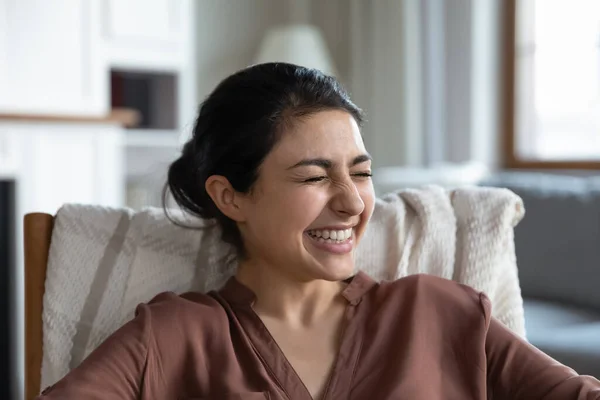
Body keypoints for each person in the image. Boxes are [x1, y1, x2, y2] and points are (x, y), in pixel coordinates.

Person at [37, 63, 600, 400]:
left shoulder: (443, 314)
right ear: (230, 196)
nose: (353, 202)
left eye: (361, 172)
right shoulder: (173, 336)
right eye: (314, 176)